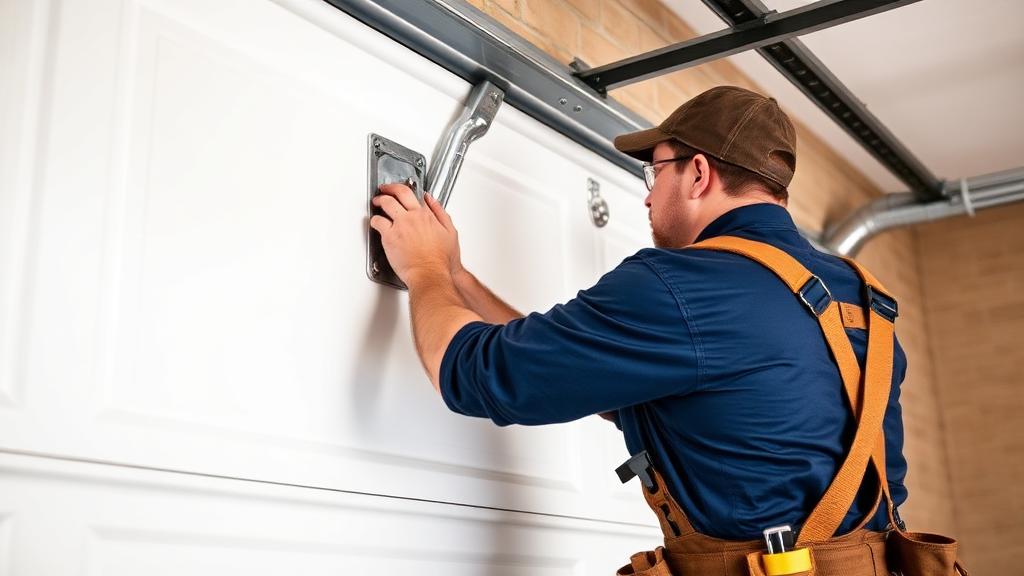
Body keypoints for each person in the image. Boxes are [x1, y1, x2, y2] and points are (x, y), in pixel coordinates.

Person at [368, 85, 907, 544]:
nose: (648, 200)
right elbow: (581, 369)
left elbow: (476, 374)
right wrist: (457, 277)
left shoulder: (681, 285)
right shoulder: (858, 299)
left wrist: (424, 271)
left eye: (656, 173)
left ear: (698, 174)